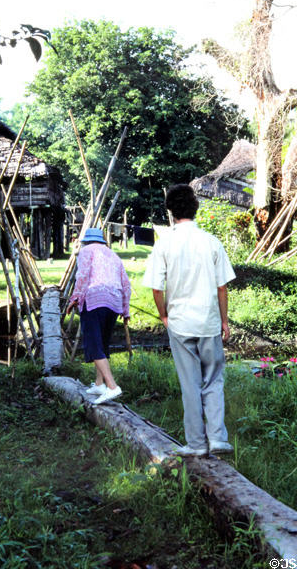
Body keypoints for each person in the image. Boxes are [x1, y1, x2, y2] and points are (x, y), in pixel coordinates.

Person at [143, 184, 236, 456]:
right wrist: (224, 321)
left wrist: (163, 315)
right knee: (214, 379)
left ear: (170, 211)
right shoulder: (211, 242)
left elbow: (157, 288)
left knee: (190, 384)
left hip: (180, 324)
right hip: (208, 321)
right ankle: (217, 438)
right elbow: (222, 287)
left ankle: (196, 443)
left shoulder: (165, 245)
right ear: (196, 209)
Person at [67, 227, 131, 404]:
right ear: (102, 241)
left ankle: (112, 386)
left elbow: (83, 276)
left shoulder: (86, 251)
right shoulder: (113, 255)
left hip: (94, 298)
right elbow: (126, 284)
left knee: (94, 344)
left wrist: (75, 298)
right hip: (115, 300)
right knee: (102, 342)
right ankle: (99, 383)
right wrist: (125, 310)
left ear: (87, 241)